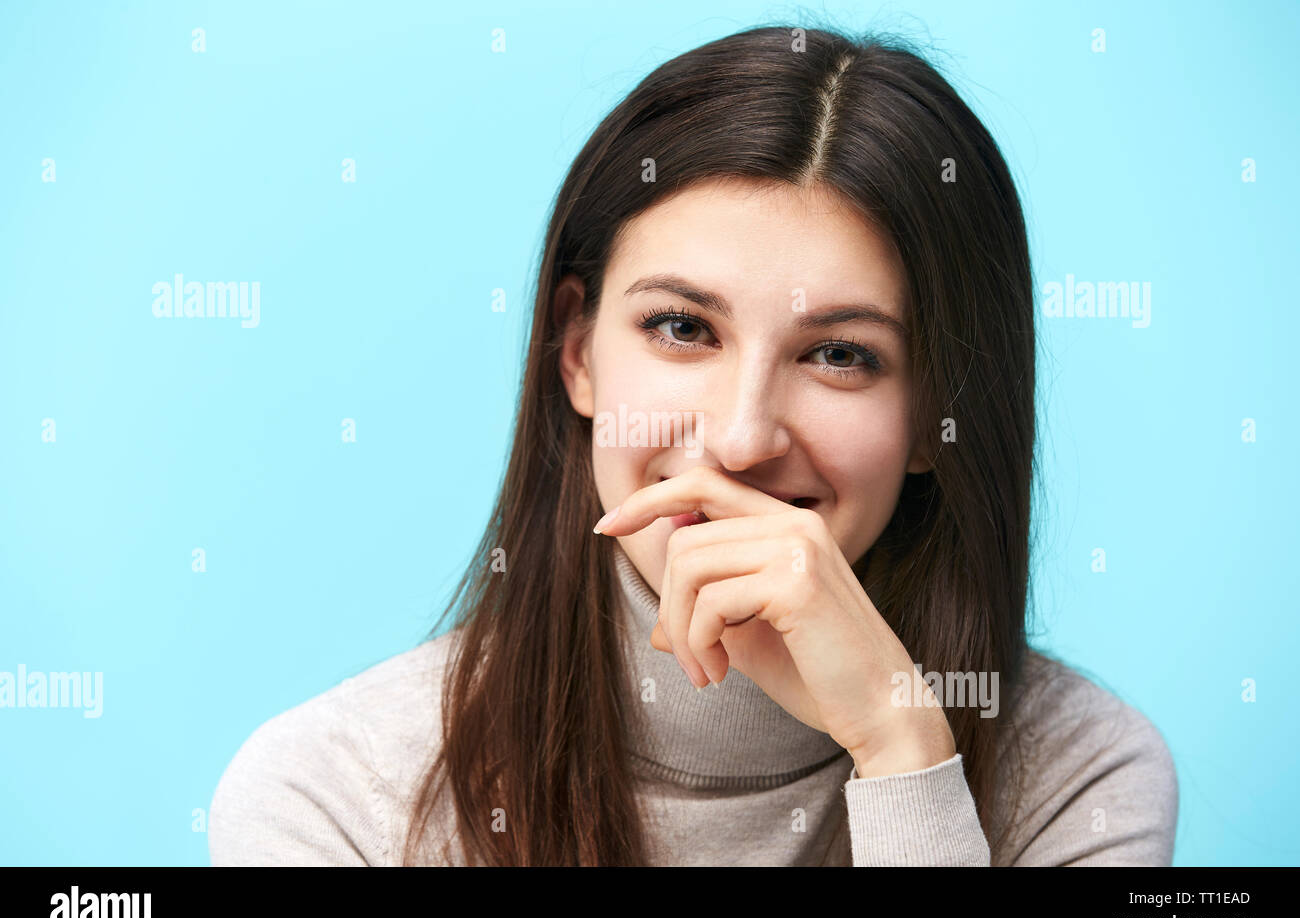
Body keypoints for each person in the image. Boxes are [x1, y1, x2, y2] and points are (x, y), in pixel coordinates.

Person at [209, 24, 1177, 866]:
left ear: (935, 414)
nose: (741, 436)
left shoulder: (1080, 777)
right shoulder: (330, 799)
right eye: (681, 328)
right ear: (577, 352)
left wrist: (901, 752)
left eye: (840, 354)